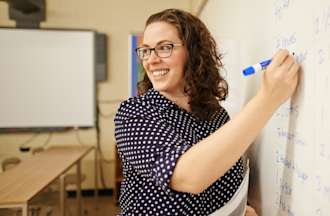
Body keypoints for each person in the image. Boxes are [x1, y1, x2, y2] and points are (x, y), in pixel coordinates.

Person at [114, 8, 299, 216]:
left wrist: (240, 209)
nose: (151, 59)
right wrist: (268, 98)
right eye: (146, 50)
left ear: (193, 52)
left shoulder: (216, 115)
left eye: (164, 47)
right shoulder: (134, 113)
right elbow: (190, 176)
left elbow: (219, 177)